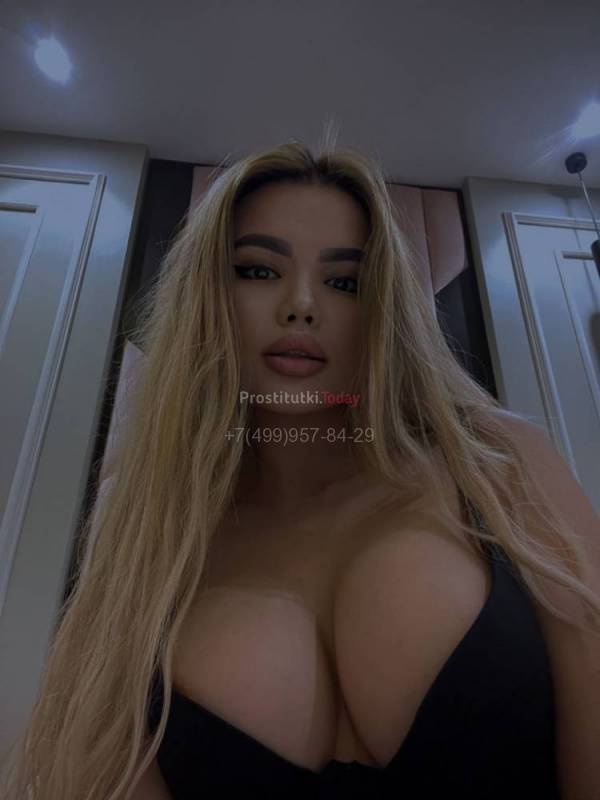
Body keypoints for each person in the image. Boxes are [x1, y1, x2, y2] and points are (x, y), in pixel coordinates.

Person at [2, 133, 600, 800]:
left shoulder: (500, 460)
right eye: (258, 270)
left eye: (344, 282)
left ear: (383, 311)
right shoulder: (151, 525)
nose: (302, 305)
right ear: (207, 295)